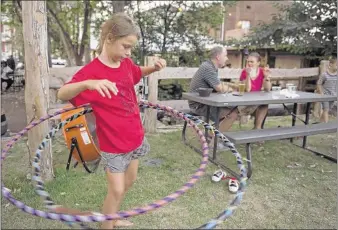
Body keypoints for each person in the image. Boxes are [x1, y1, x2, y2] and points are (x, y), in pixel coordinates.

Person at [57, 13, 166, 229]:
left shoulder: (125, 63)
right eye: (126, 46)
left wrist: (153, 68)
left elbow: (136, 73)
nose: (129, 52)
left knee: (129, 181)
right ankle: (106, 224)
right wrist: (88, 84)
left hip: (135, 136)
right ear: (109, 39)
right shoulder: (91, 73)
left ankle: (112, 215)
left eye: (131, 48)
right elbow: (62, 93)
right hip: (113, 144)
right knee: (115, 189)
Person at [188, 46, 234, 147]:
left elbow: (218, 86)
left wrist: (229, 86)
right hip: (199, 105)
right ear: (218, 57)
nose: (227, 58)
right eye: (225, 55)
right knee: (233, 113)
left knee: (232, 110)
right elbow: (220, 88)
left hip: (204, 101)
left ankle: (209, 135)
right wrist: (231, 88)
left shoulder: (211, 67)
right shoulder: (208, 68)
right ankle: (215, 143)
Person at [219, 52, 272, 132]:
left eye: (252, 62)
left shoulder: (262, 71)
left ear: (258, 63)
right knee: (261, 105)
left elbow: (267, 89)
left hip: (256, 100)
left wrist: (267, 77)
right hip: (245, 101)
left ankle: (257, 129)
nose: (249, 63)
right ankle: (257, 130)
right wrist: (248, 75)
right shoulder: (244, 72)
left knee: (264, 104)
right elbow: (248, 89)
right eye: (248, 61)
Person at [317, 56, 337, 123]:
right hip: (325, 95)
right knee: (326, 109)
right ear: (331, 64)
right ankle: (326, 126)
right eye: (337, 65)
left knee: (327, 109)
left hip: (333, 95)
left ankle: (320, 122)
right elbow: (319, 83)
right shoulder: (324, 75)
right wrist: (321, 93)